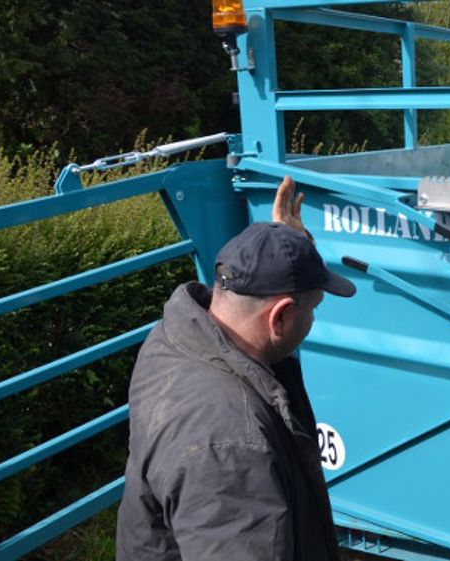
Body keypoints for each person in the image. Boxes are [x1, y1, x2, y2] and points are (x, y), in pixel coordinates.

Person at [116, 177, 354, 561]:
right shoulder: (233, 449)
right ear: (279, 318)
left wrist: (292, 249)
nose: (312, 322)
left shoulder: (174, 340)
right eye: (312, 310)